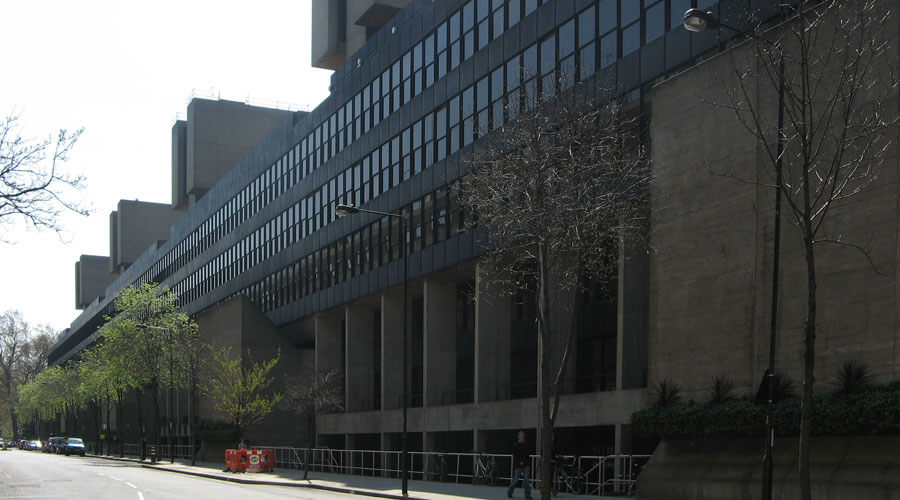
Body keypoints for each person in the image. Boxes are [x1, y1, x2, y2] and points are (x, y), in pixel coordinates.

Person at [507, 430, 532, 499]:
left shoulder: (526, 445)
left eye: (523, 436)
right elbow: (515, 456)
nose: (523, 437)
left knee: (526, 480)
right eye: (521, 436)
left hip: (526, 465)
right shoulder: (515, 445)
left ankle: (527, 495)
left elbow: (528, 455)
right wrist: (519, 462)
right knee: (515, 480)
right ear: (518, 437)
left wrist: (527, 463)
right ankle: (509, 492)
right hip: (518, 466)